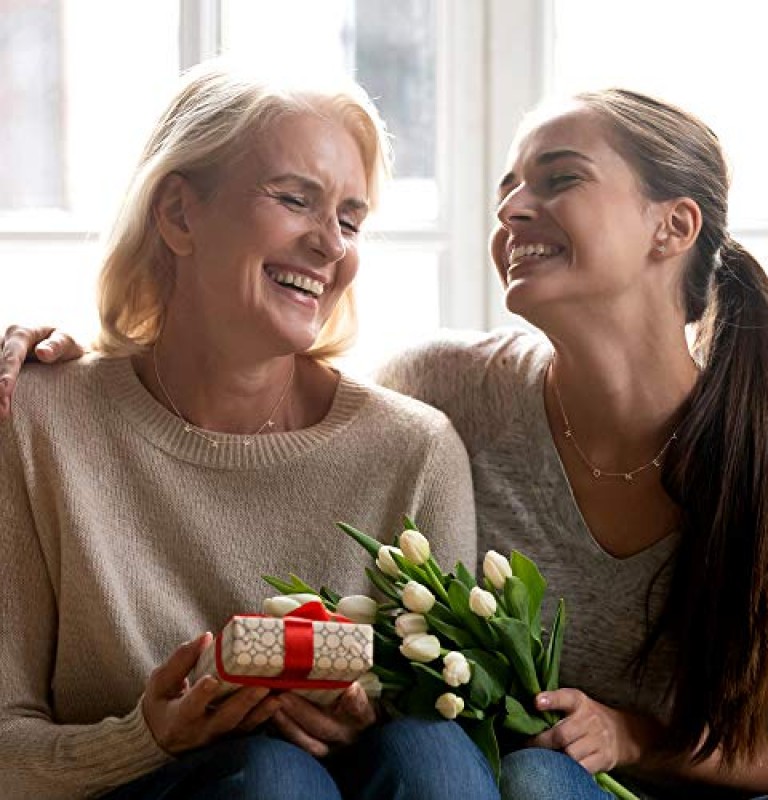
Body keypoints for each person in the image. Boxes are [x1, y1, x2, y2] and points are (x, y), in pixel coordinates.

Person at [3, 88, 768, 800]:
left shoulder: (766, 452)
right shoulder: (448, 393)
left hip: (672, 783)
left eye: (559, 179)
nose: (512, 209)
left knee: (473, 759)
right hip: (486, 775)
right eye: (508, 188)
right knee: (462, 762)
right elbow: (217, 360)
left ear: (674, 225)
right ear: (176, 215)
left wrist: (636, 735)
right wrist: (59, 359)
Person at [0, 62, 498, 800]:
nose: (331, 245)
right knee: (272, 774)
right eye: (296, 199)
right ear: (178, 214)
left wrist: (368, 715)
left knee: (431, 747)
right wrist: (148, 738)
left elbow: (455, 708)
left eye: (351, 220)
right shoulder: (38, 420)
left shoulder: (414, 450)